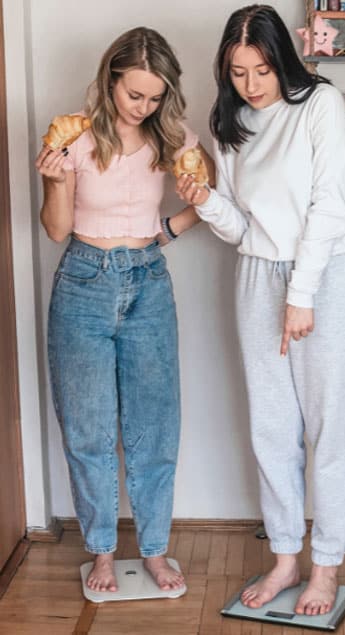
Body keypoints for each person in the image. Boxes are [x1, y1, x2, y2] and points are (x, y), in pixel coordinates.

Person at [177, 4, 345, 617]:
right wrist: (205, 198)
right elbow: (240, 228)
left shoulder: (320, 105)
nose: (252, 86)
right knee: (271, 427)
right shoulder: (229, 121)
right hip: (258, 274)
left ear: (281, 59)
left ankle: (326, 566)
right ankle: (286, 557)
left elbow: (331, 206)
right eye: (238, 73)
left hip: (325, 272)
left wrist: (302, 296)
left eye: (262, 70)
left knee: (333, 426)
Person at [36, 26, 214, 594]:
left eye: (155, 96)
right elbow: (57, 229)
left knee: (155, 428)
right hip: (83, 282)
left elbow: (211, 202)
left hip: (148, 286)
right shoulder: (76, 138)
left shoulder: (174, 139)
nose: (144, 106)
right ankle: (104, 553)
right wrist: (53, 181)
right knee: (88, 430)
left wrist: (166, 230)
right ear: (110, 80)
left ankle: (157, 552)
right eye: (134, 94)